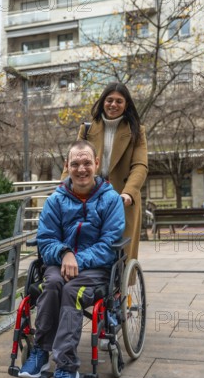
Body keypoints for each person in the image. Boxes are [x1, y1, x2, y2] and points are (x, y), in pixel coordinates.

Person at [19, 140, 125, 378]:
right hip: (59, 263)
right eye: (75, 163)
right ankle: (42, 353)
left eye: (87, 162)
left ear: (96, 164)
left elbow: (109, 244)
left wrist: (77, 258)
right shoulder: (56, 200)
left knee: (72, 291)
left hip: (96, 269)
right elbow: (45, 240)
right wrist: (65, 252)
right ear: (67, 166)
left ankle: (67, 367)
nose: (81, 169)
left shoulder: (111, 200)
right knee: (51, 285)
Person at [61, 82, 147, 262]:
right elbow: (73, 161)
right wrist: (63, 189)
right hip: (91, 193)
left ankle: (122, 288)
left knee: (120, 250)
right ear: (102, 102)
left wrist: (129, 193)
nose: (113, 105)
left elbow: (140, 166)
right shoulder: (87, 129)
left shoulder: (136, 131)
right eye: (109, 100)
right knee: (88, 243)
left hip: (121, 197)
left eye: (119, 101)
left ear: (126, 105)